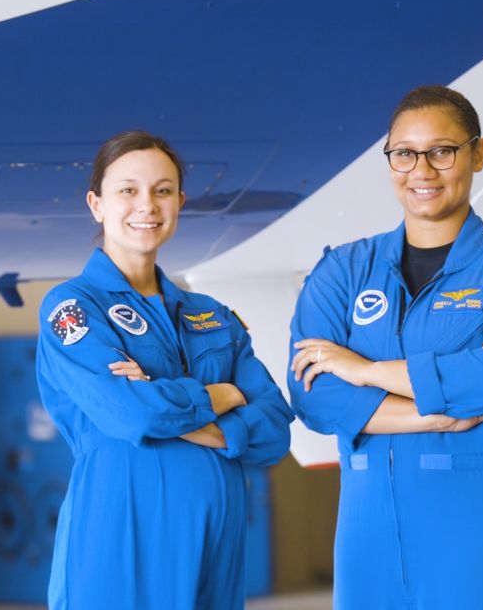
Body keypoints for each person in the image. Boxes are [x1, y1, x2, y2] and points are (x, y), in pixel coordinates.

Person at [287, 85, 483, 609]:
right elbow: (314, 397)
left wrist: (365, 371)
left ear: (477, 153)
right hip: (370, 531)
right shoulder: (342, 271)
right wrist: (433, 415)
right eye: (405, 154)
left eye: (442, 151)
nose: (422, 170)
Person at [36, 130, 293, 610]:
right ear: (97, 204)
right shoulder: (72, 307)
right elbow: (134, 416)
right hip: (124, 533)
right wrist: (223, 396)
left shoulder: (212, 314)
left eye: (162, 190)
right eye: (127, 190)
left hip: (217, 540)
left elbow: (276, 429)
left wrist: (164, 398)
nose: (146, 206)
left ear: (180, 201)